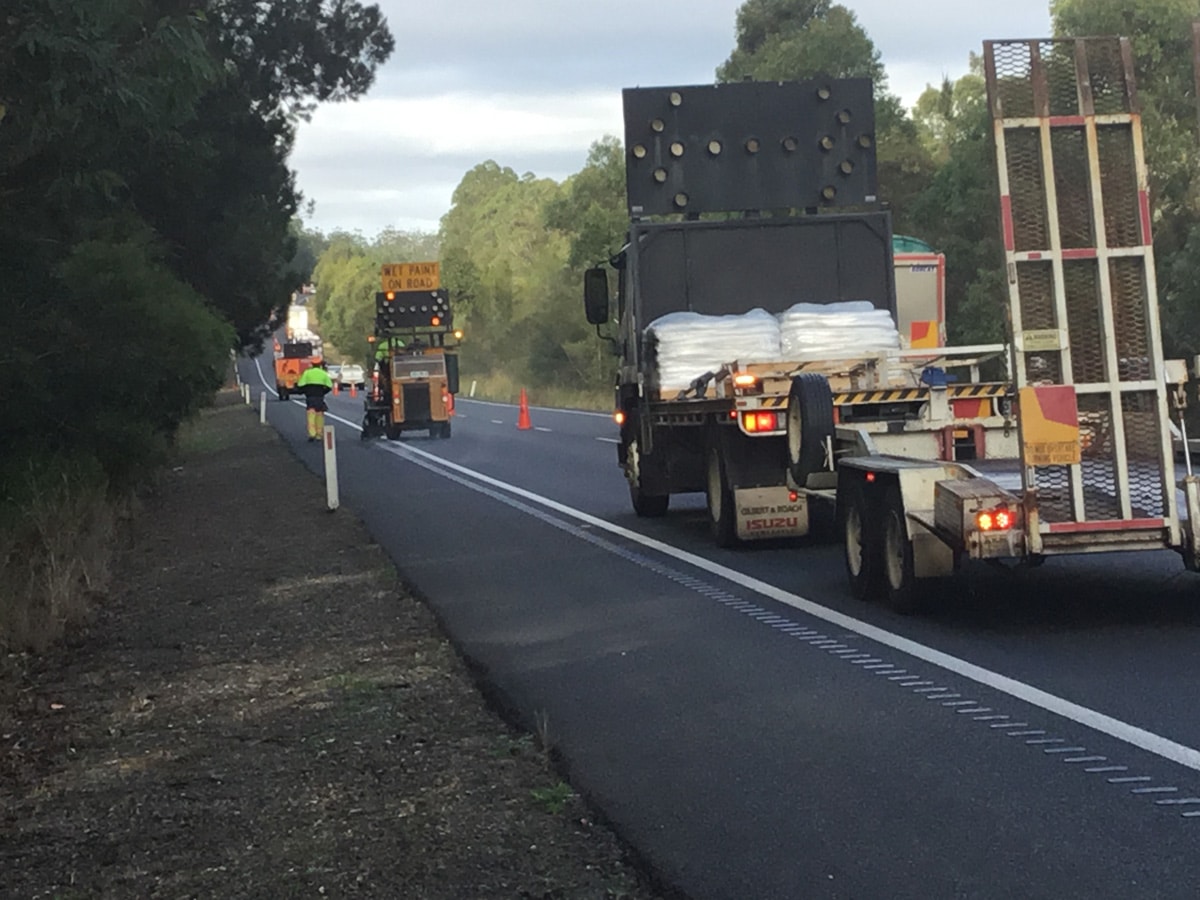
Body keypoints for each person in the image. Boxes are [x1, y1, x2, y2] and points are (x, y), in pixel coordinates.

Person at [295, 358, 334, 441]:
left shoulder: (307, 373)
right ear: (320, 364)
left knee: (311, 415)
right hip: (319, 397)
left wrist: (304, 391)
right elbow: (329, 386)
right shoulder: (323, 374)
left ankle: (312, 433)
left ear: (312, 364)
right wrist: (323, 392)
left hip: (310, 397)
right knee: (320, 415)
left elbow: (300, 385)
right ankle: (319, 435)